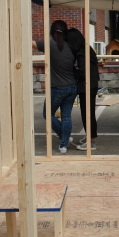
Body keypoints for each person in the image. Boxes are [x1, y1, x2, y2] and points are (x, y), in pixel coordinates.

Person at [33, 20, 78, 154]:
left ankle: (64, 139)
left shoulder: (50, 44)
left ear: (52, 32)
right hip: (72, 86)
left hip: (57, 88)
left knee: (47, 114)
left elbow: (31, 43)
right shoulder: (71, 45)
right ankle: (64, 143)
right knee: (66, 116)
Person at [65, 28, 100, 151]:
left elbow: (82, 73)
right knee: (88, 113)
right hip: (91, 85)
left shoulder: (81, 54)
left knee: (87, 114)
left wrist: (72, 71)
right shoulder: (86, 49)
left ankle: (91, 142)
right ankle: (90, 137)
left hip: (87, 86)